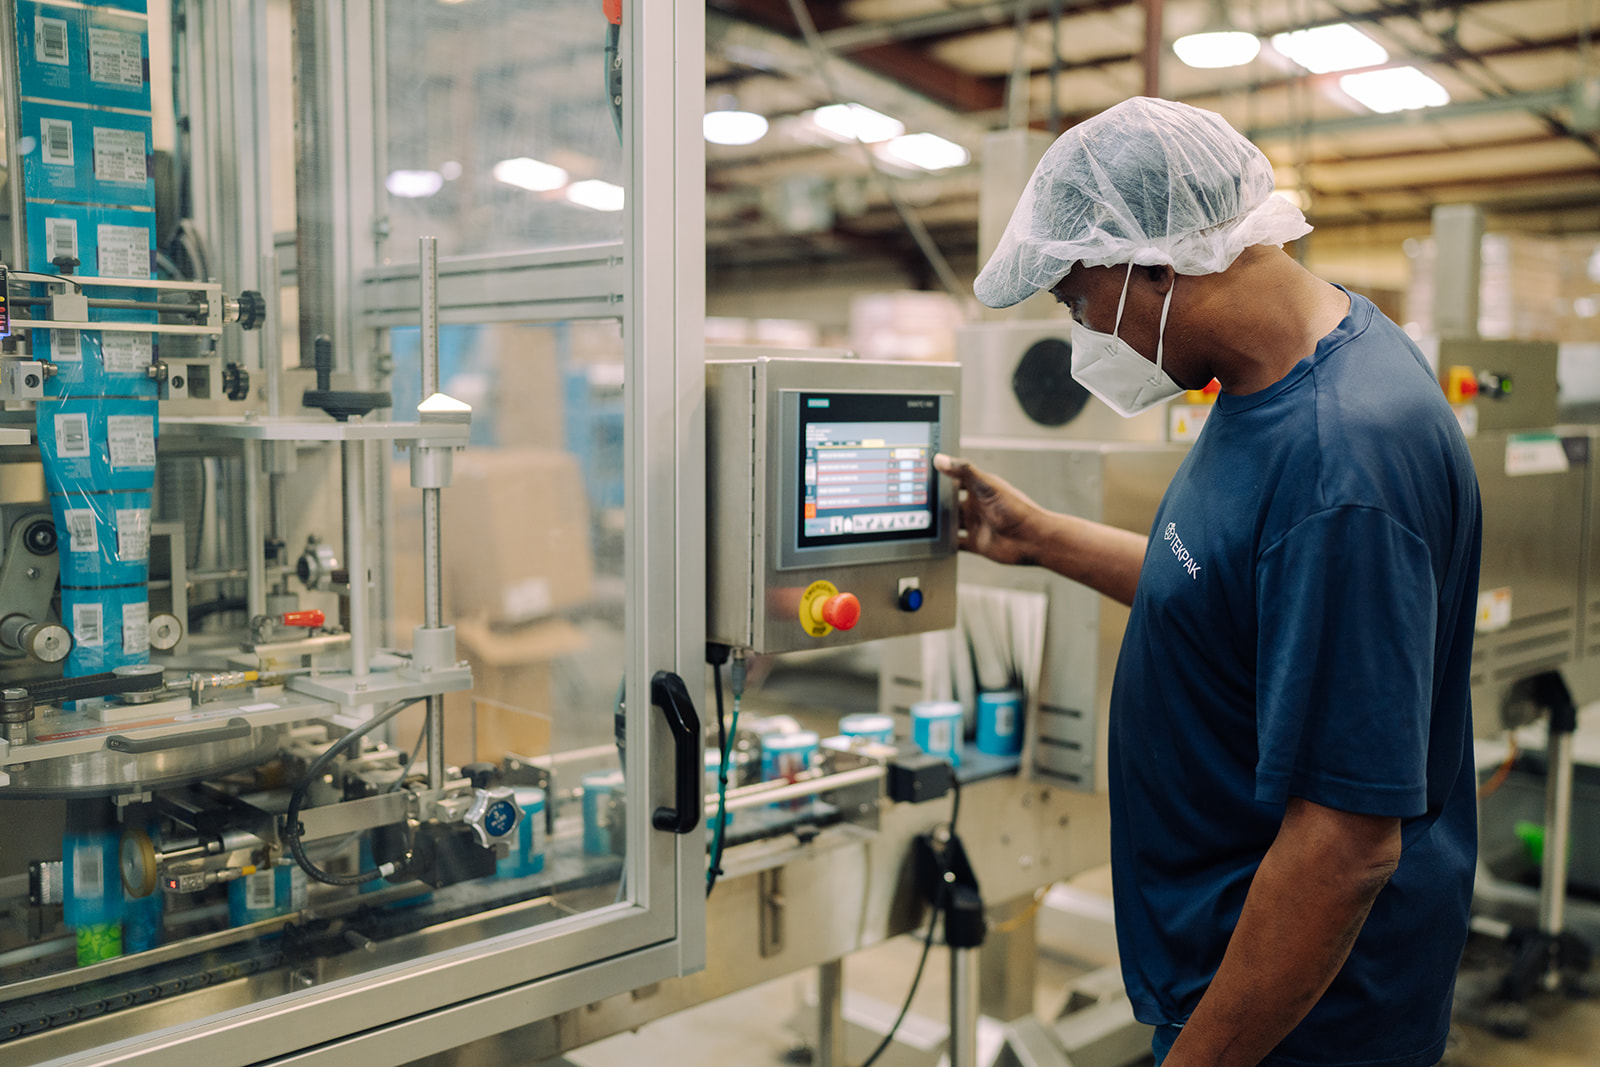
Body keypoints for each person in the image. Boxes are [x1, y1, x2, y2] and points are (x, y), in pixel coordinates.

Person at [938, 97, 1481, 1067]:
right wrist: (1042, 536)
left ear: (1153, 263)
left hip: (1303, 1021)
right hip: (1235, 976)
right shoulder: (1279, 373)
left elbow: (1344, 846)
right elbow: (1233, 596)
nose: (1081, 337)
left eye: (1076, 301)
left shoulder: (1341, 462)